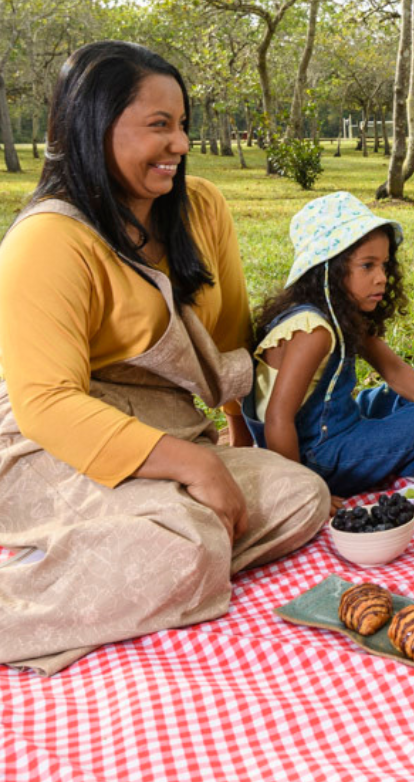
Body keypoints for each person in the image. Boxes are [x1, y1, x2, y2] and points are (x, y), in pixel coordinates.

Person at [0, 41, 329, 675]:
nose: (180, 143)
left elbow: (229, 331)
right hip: (49, 444)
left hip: (167, 429)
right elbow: (47, 404)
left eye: (182, 125)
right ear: (93, 128)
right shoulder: (46, 239)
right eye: (159, 126)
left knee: (301, 495)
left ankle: (128, 549)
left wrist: (235, 437)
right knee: (185, 545)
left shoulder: (201, 207)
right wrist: (196, 471)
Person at [243, 190, 414, 514]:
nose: (382, 278)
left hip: (333, 427)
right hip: (317, 456)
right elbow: (278, 418)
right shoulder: (314, 331)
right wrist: (303, 491)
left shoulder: (337, 315)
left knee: (392, 397)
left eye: (384, 265)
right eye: (367, 266)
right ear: (330, 271)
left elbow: (396, 373)